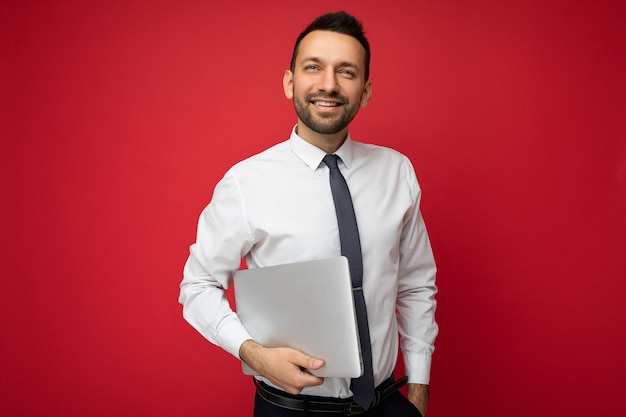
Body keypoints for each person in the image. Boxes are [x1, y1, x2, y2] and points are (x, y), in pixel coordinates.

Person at [179, 11, 438, 417]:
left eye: (346, 72)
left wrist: (418, 388)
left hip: (388, 404)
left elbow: (416, 283)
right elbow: (197, 287)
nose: (329, 84)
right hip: (289, 409)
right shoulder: (245, 183)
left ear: (365, 91)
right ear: (289, 81)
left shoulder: (397, 172)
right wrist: (253, 353)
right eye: (313, 67)